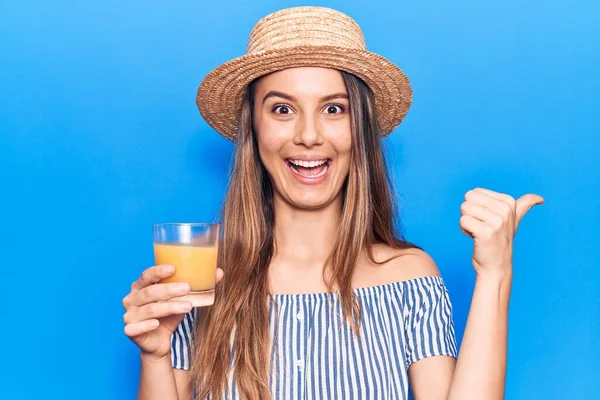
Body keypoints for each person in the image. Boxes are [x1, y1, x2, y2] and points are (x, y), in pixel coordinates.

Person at [122, 6, 544, 400]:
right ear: (254, 128)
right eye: (283, 109)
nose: (309, 135)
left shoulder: (409, 277)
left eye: (334, 109)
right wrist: (155, 356)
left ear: (358, 129)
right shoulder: (203, 283)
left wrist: (495, 274)